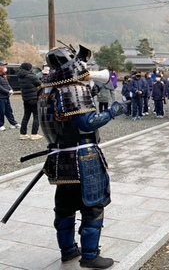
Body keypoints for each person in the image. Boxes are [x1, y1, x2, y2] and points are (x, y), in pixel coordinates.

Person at [39, 44, 126, 269]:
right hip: (82, 156)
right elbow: (86, 123)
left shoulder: (47, 90)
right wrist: (112, 112)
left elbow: (63, 120)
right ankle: (90, 255)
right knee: (93, 207)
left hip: (60, 157)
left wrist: (91, 92)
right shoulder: (72, 90)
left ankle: (68, 251)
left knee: (65, 207)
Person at [17, 62, 43, 140]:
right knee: (36, 116)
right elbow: (40, 84)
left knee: (26, 116)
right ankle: (34, 134)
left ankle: (23, 134)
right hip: (34, 98)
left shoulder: (20, 76)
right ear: (29, 68)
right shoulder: (31, 76)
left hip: (26, 98)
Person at [0, 60, 21, 131]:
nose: (5, 67)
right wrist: (7, 92)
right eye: (3, 66)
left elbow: (7, 84)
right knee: (1, 111)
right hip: (1, 97)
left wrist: (11, 89)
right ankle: (0, 125)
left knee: (9, 110)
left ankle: (13, 123)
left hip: (6, 96)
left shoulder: (3, 76)